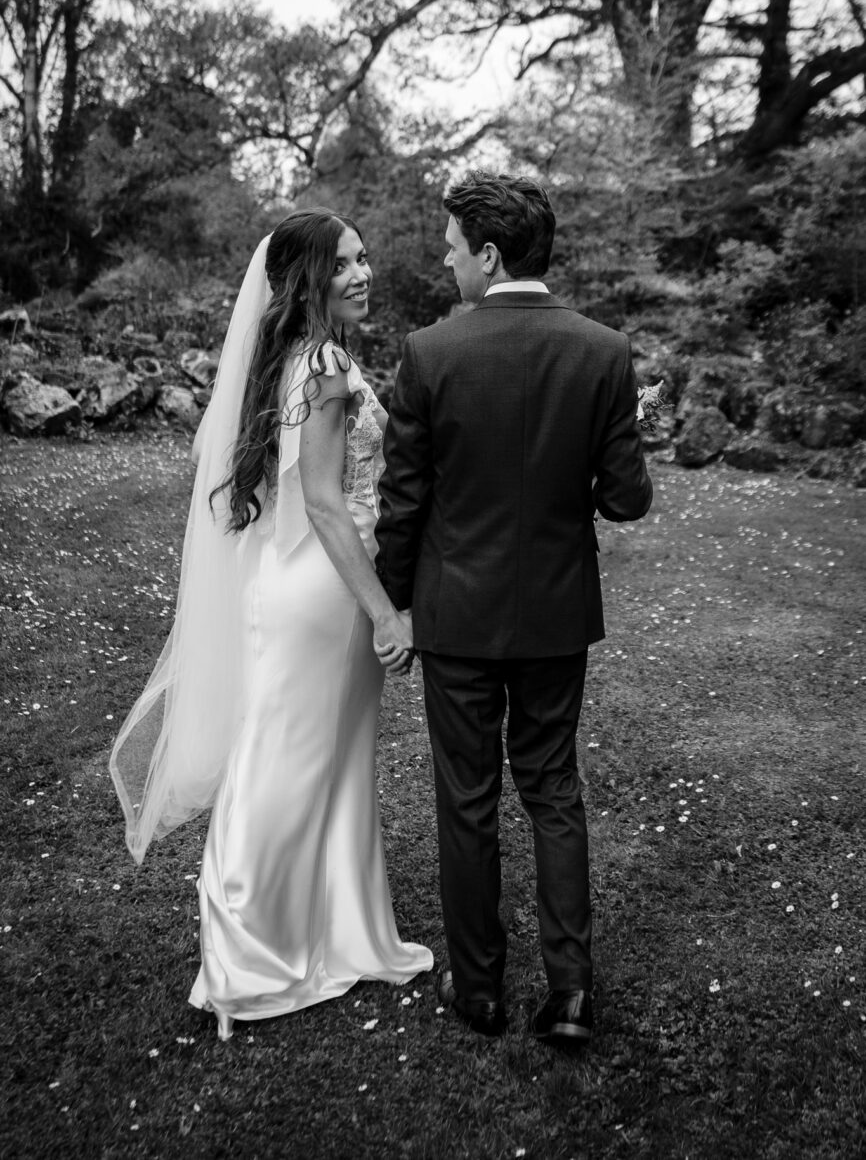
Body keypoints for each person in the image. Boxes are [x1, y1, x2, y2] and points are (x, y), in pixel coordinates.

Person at [110, 210, 432, 1041]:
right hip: (324, 591)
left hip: (302, 584)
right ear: (309, 280)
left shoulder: (299, 357)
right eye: (346, 265)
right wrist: (385, 611)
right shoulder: (323, 363)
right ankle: (244, 962)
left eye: (365, 260)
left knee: (333, 765)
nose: (363, 275)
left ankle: (343, 933)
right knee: (284, 767)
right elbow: (325, 504)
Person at [374, 172, 653, 1043]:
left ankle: (481, 989)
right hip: (555, 618)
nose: (446, 260)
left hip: (455, 615)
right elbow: (626, 500)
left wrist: (395, 606)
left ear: (490, 255)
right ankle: (571, 992)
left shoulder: (429, 354)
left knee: (467, 798)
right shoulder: (605, 352)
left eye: (453, 246)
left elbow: (403, 503)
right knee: (553, 788)